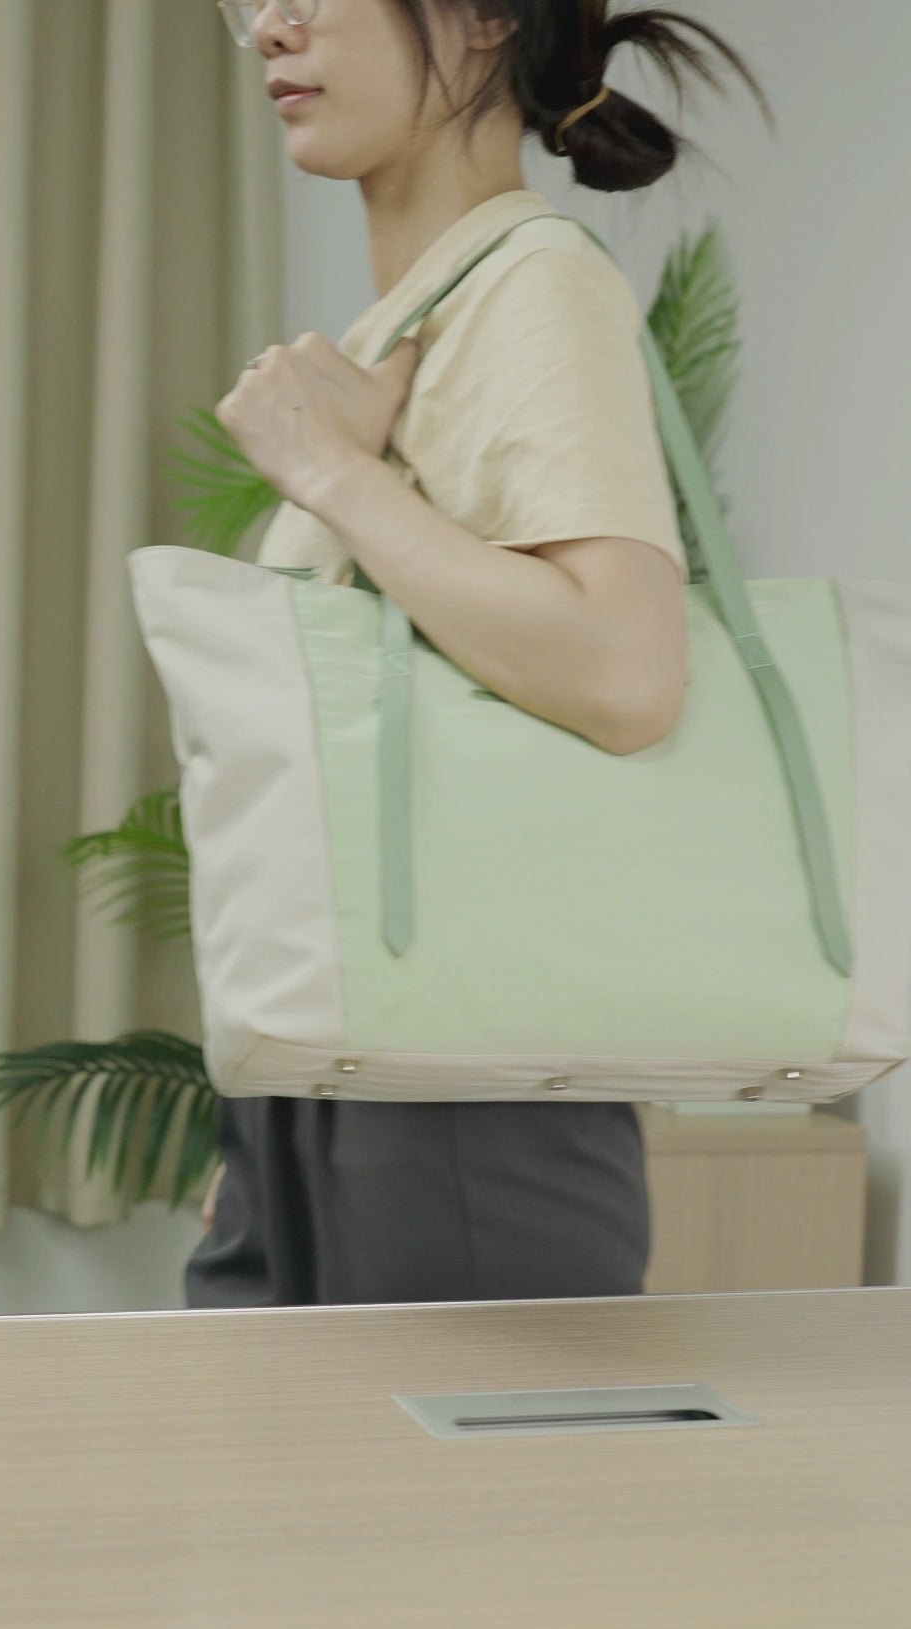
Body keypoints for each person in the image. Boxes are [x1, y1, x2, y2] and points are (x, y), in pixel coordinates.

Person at [188, 0, 774, 1308]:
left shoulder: (535, 285)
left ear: (484, 18)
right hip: (352, 1071)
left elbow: (624, 673)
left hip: (460, 1100)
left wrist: (336, 477)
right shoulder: (421, 320)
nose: (271, 26)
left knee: (466, 1455)